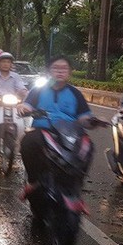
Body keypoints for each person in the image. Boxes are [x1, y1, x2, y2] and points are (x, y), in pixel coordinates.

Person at [17, 56, 94, 184]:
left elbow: (84, 117)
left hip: (70, 133)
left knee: (88, 147)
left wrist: (93, 121)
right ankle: (33, 181)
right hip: (43, 130)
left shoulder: (76, 93)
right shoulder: (38, 90)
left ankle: (77, 184)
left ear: (70, 72)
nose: (60, 71)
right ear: (49, 71)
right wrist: (23, 107)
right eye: (56, 68)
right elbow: (28, 105)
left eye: (64, 68)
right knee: (27, 142)